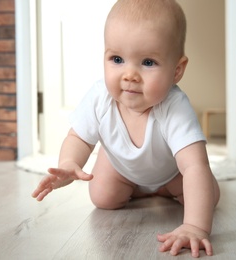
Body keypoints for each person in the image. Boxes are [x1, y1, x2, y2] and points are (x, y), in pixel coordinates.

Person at [32, 0, 220, 257]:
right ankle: (136, 185)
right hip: (120, 166)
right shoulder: (100, 97)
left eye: (148, 62)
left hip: (171, 171)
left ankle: (161, 189)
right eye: (117, 59)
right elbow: (79, 137)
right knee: (102, 199)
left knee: (207, 194)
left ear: (176, 70)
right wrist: (68, 163)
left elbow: (194, 165)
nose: (130, 74)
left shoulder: (174, 107)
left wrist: (195, 226)